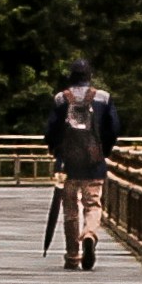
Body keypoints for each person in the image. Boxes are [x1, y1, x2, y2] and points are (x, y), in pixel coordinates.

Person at [41, 58, 120, 268]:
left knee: (70, 210)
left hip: (67, 165)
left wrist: (55, 151)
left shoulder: (61, 99)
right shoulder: (103, 98)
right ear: (89, 76)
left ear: (71, 76)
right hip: (94, 162)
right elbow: (113, 129)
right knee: (92, 204)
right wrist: (104, 151)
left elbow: (51, 131)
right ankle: (89, 234)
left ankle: (73, 255)